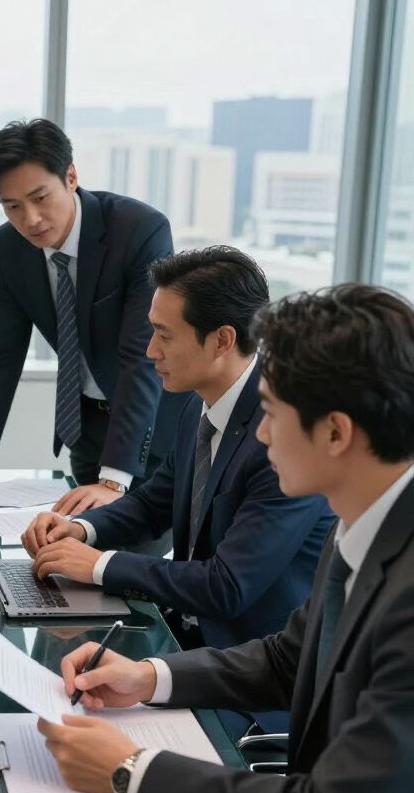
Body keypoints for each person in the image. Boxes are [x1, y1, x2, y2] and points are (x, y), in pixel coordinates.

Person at [37, 284, 414, 793]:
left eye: (271, 413)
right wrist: (149, 677)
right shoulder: (360, 523)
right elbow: (286, 656)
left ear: (335, 432)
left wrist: (132, 769)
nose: (260, 432)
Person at [22, 247, 334, 654]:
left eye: (164, 335)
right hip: (186, 640)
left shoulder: (283, 435)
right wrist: (82, 529)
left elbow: (227, 586)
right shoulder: (198, 404)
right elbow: (154, 502)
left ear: (222, 340)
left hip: (251, 671)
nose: (151, 350)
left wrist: (98, 565)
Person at [0, 119, 187, 520]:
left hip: (153, 432)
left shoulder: (138, 230)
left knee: (132, 562)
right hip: (86, 431)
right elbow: (2, 351)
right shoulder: (8, 246)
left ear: (71, 176)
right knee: (71, 564)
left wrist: (114, 479)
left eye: (40, 197)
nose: (30, 219)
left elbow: (140, 354)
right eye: (12, 207)